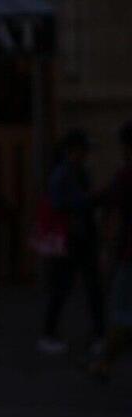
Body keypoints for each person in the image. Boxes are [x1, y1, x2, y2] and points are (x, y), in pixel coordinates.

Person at [38, 128, 106, 355]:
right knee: (66, 288)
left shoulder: (77, 171)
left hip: (80, 237)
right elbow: (61, 204)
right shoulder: (64, 174)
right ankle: (50, 334)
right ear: (72, 151)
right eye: (83, 150)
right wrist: (88, 199)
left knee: (88, 288)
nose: (85, 155)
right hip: (72, 239)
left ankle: (98, 334)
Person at [89, 121, 132, 379]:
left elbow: (105, 198)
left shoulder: (126, 176)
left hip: (130, 255)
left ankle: (103, 361)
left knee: (122, 313)